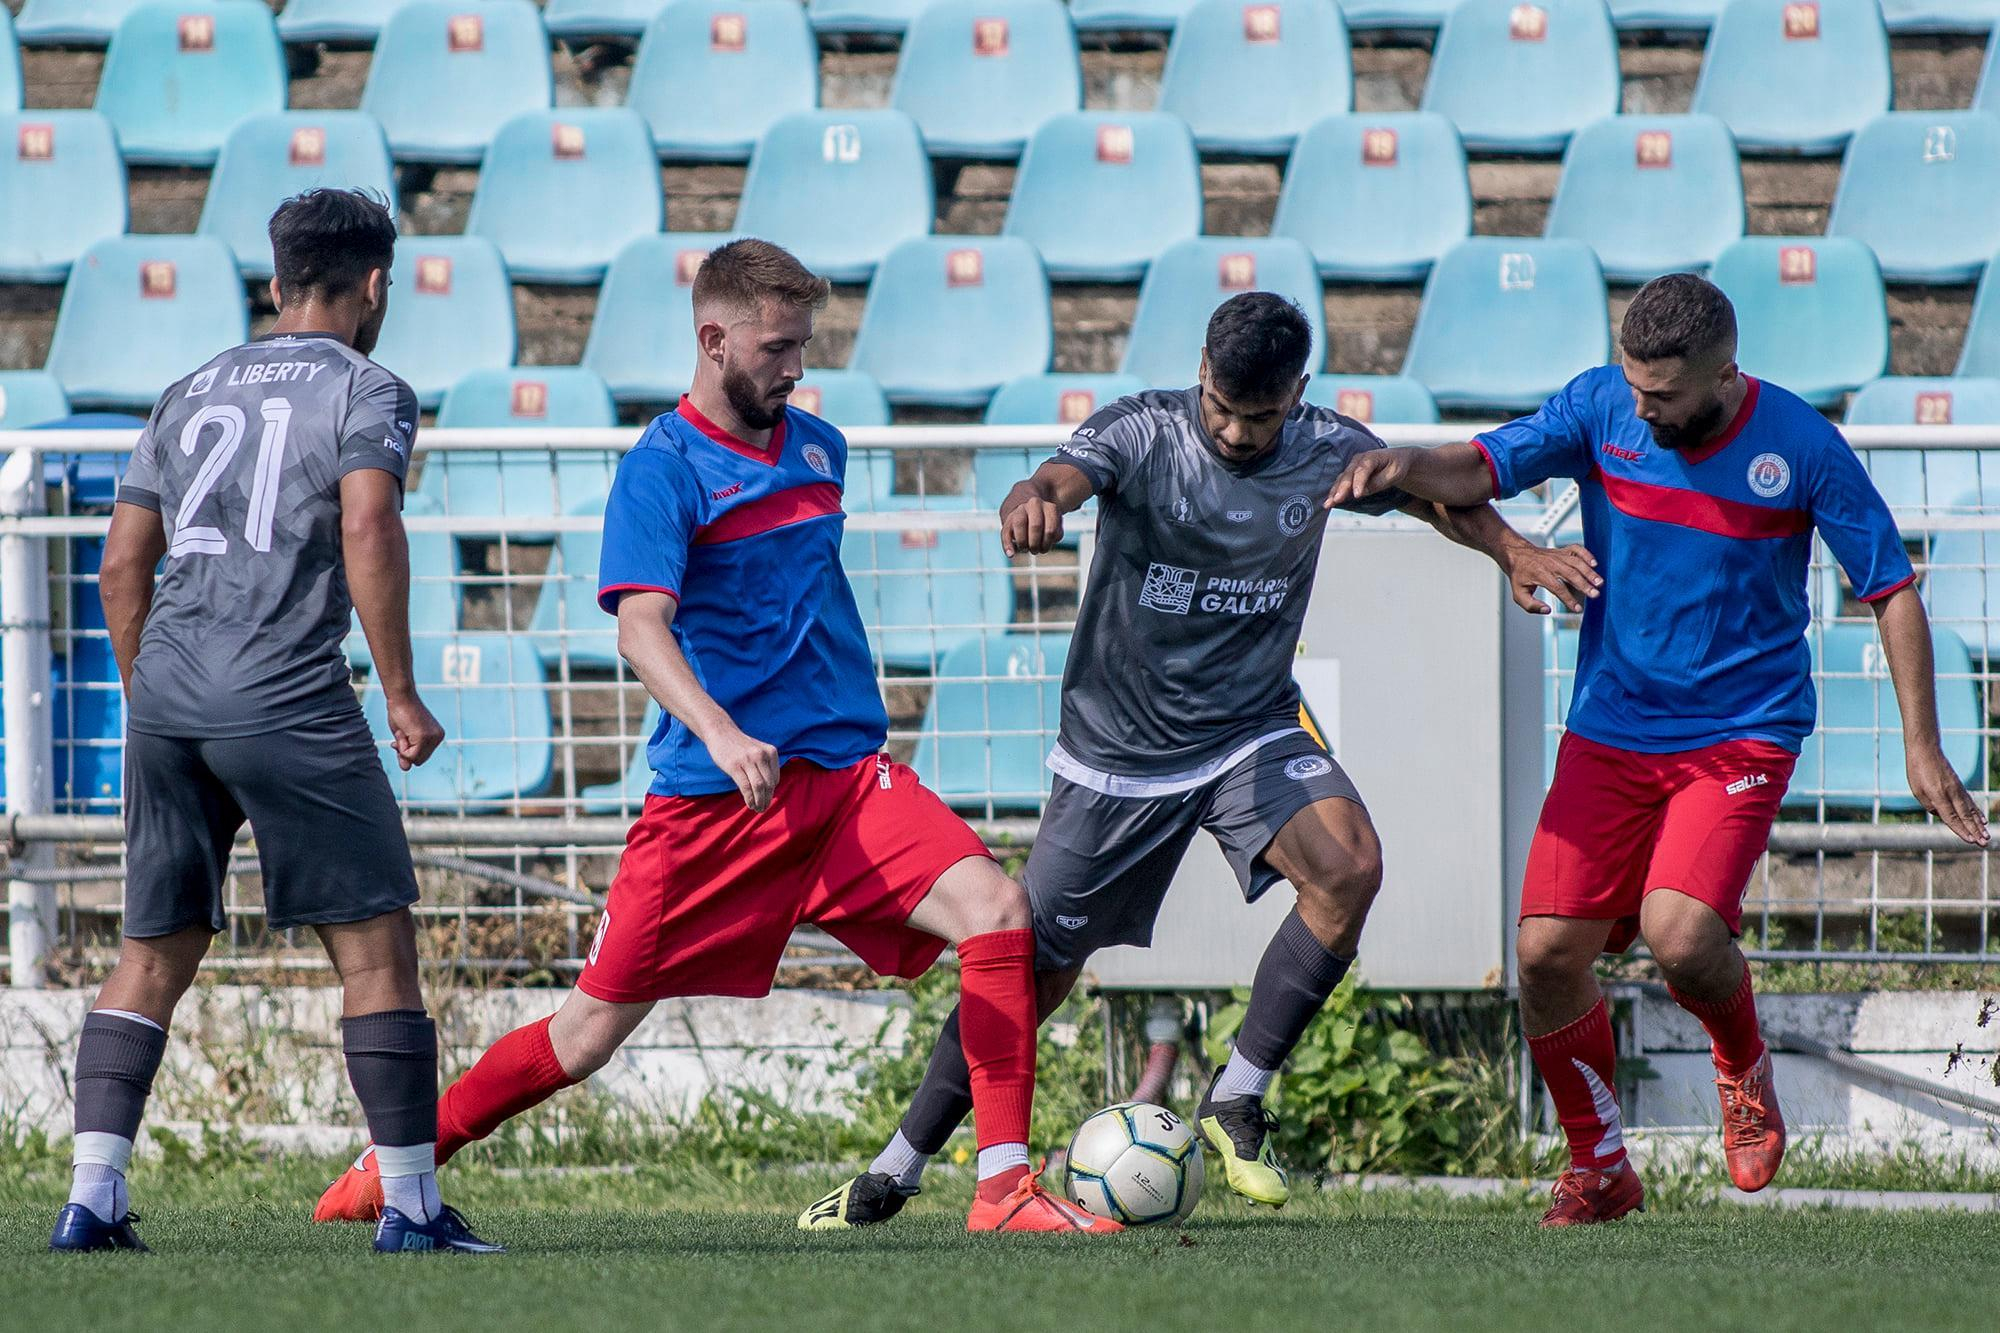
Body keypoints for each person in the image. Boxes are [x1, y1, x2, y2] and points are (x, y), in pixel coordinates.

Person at [311, 238, 1118, 1235]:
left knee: (997, 911)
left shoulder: (821, 450)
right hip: (716, 801)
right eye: (778, 347)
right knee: (586, 1032)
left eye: (803, 345)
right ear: (712, 338)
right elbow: (640, 624)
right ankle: (397, 1164)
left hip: (844, 781)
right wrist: (723, 731)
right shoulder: (660, 470)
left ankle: (1001, 1190)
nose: (797, 366)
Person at [799, 292, 1600, 1228]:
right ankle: (899, 1163)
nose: (1231, 429)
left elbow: (1431, 496)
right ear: (1202, 375)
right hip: (1118, 758)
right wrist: (1031, 499)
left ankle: (1237, 1094)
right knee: (1030, 971)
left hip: (1249, 728)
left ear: (1297, 393)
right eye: (1220, 404)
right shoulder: (1146, 431)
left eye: (1256, 416)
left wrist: (1513, 549)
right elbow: (1064, 474)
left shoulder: (1324, 446)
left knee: (1349, 868)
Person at [1329, 272, 1991, 1227]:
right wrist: (1400, 466)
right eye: (1635, 386)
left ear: (1724, 374)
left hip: (1741, 731)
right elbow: (1478, 466)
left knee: (1682, 933)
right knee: (1547, 953)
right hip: (1613, 724)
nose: (1642, 408)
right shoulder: (1603, 405)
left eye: (1664, 395)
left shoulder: (1802, 444)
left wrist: (1922, 747)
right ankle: (1599, 1167)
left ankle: (1741, 1064)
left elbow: (1889, 587)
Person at [48, 189, 499, 1255]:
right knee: (377, 944)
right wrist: (396, 690)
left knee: (151, 948)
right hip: (287, 691)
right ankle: (412, 1208)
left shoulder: (187, 387)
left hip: (167, 693)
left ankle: (92, 1198)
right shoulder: (369, 384)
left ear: (276, 278)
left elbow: (121, 566)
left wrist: (150, 689)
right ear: (374, 284)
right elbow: (367, 521)